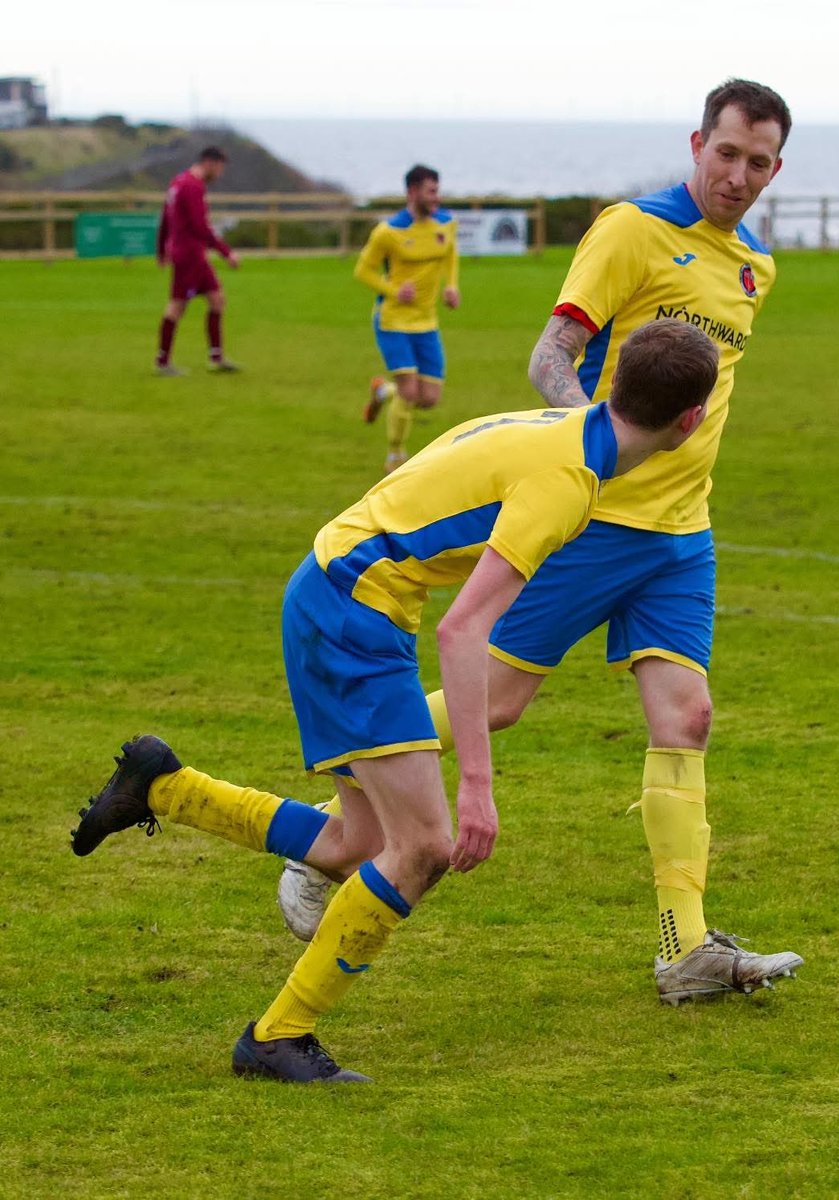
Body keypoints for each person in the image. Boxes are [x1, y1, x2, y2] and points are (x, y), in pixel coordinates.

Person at [70, 319, 717, 1084]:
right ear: (692, 421)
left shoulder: (557, 428)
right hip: (353, 608)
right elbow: (465, 629)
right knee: (425, 849)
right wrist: (477, 786)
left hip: (339, 587)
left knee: (355, 846)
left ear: (614, 385)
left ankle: (163, 786)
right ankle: (277, 1036)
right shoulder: (570, 482)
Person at [280, 78, 804, 1006]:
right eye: (727, 154)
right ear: (697, 144)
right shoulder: (630, 231)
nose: (739, 176)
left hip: (684, 535)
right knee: (504, 699)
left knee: (687, 718)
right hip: (595, 522)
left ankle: (684, 951)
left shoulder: (758, 265)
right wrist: (591, 455)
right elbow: (550, 359)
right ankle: (338, 829)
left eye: (759, 162)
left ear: (775, 168)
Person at [354, 164, 460, 473]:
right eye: (430, 191)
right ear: (412, 192)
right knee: (409, 392)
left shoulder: (446, 224)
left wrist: (451, 286)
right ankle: (395, 456)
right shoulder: (389, 232)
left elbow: (451, 254)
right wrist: (393, 290)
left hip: (427, 322)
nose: (436, 197)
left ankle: (382, 392)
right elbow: (363, 271)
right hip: (392, 321)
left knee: (429, 398)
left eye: (437, 190)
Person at [155, 145, 241, 377]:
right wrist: (226, 252)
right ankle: (162, 362)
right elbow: (199, 226)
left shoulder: (178, 182)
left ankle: (217, 358)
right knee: (177, 305)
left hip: (190, 254)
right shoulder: (192, 187)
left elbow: (165, 216)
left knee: (217, 299)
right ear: (210, 163)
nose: (220, 174)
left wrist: (161, 247)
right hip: (189, 255)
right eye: (220, 168)